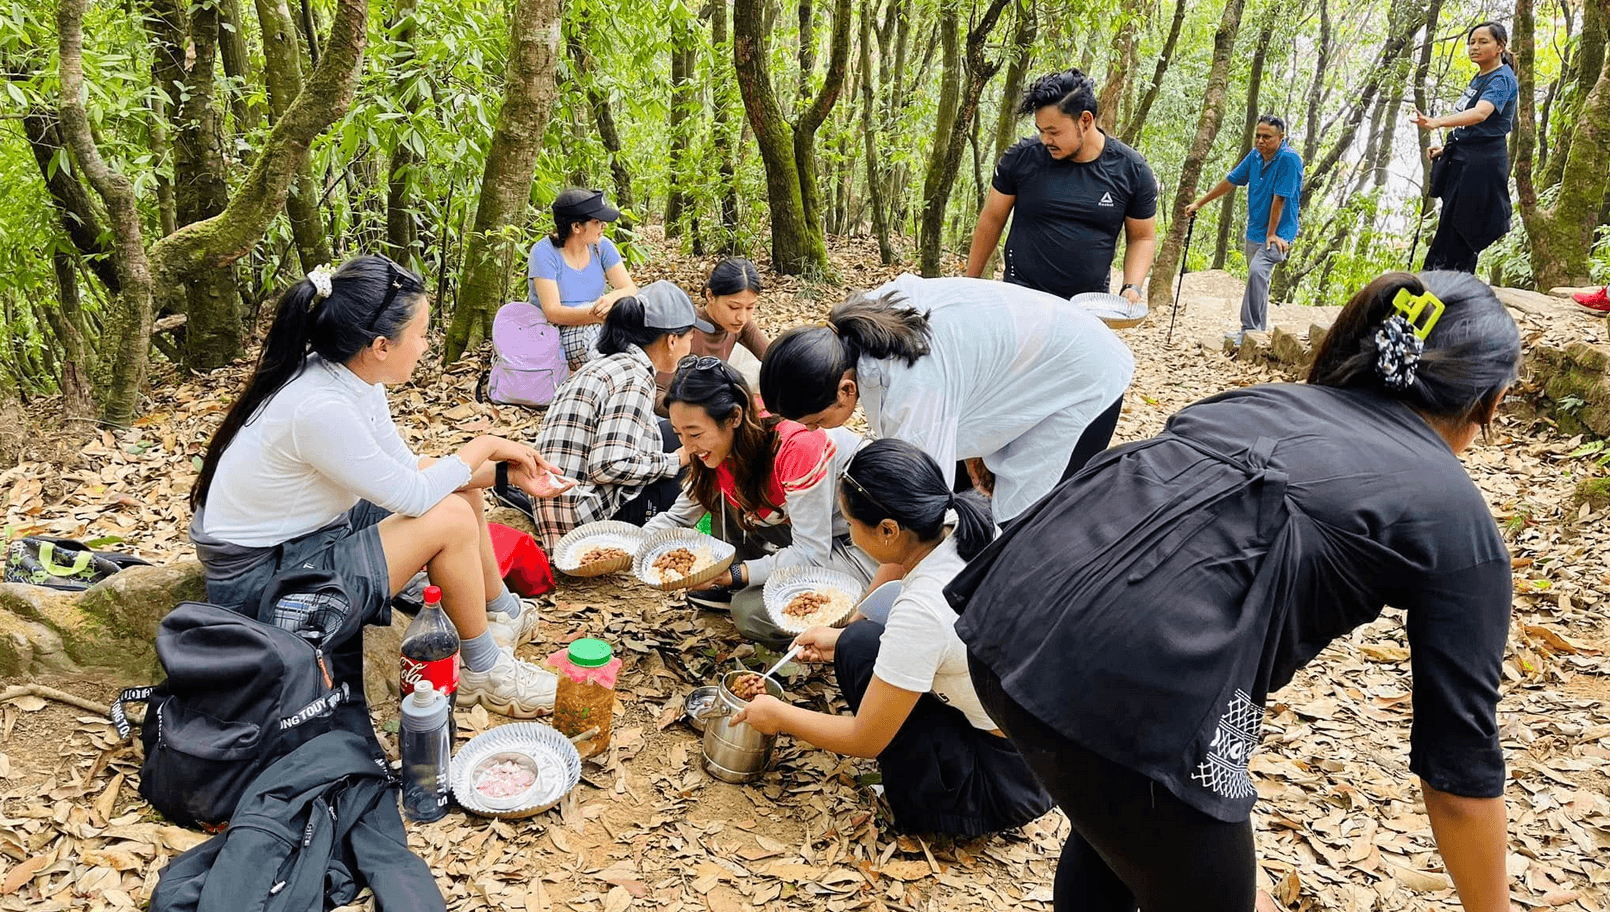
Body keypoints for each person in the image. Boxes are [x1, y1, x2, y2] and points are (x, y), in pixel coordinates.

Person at [948, 270, 1520, 912]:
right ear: (1488, 402)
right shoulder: (1457, 517)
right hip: (1120, 694)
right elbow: (1459, 774)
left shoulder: (1258, 401)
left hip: (1003, 621)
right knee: (1158, 835)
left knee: (1110, 817)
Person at [190, 256, 574, 719]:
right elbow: (413, 497)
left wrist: (506, 475)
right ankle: (482, 671)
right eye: (422, 334)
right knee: (448, 515)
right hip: (269, 584)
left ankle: (498, 613)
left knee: (457, 489)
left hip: (313, 535)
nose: (427, 345)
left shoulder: (350, 377)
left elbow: (412, 469)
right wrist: (487, 444)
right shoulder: (319, 407)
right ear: (379, 346)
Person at [731, 439, 1052, 836]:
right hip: (1037, 744)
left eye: (850, 524)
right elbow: (907, 592)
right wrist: (840, 638)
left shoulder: (923, 609)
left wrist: (777, 716)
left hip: (998, 783)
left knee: (863, 653)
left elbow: (863, 739)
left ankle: (935, 811)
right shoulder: (959, 526)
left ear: (888, 530)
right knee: (857, 642)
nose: (848, 533)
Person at [758, 274, 1134, 523]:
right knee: (1000, 507)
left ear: (846, 390)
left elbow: (925, 511)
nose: (811, 431)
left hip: (1082, 373)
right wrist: (976, 448)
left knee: (1029, 520)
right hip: (1034, 358)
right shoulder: (860, 321)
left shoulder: (911, 390)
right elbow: (966, 362)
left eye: (816, 421)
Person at [644, 357, 876, 647]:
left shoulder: (798, 446)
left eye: (694, 434)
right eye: (680, 434)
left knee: (750, 612)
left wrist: (733, 575)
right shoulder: (719, 449)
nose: (687, 448)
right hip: (808, 533)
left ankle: (855, 617)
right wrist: (631, 547)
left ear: (734, 417)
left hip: (858, 545)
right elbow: (679, 516)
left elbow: (811, 554)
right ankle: (746, 581)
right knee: (719, 495)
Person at [967, 68, 1158, 303]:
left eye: (1053, 132)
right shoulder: (1021, 159)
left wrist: (1132, 286)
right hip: (1021, 297)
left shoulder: (1131, 170)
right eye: (1041, 131)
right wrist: (968, 282)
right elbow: (992, 219)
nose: (1045, 140)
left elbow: (1142, 237)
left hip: (1088, 306)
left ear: (1085, 121)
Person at [532, 281, 696, 550]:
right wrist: (674, 461)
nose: (691, 345)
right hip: (584, 524)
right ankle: (670, 546)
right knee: (686, 452)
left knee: (671, 431)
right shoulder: (635, 377)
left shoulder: (605, 364)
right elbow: (608, 465)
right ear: (672, 340)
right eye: (690, 337)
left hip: (558, 510)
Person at [1185, 115, 1304, 344]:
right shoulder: (1255, 156)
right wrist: (1200, 202)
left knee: (1258, 272)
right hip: (1255, 230)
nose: (1260, 141)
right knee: (1259, 280)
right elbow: (1231, 180)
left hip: (1279, 233)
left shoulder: (1289, 160)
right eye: (1258, 136)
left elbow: (1279, 199)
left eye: (1266, 137)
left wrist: (1272, 235)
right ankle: (1257, 334)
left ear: (1281, 138)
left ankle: (1248, 331)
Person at [1412, 23, 1518, 274]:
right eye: (1472, 42)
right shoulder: (1481, 75)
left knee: (1462, 231)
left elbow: (1481, 114)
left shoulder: (1502, 78)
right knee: (1448, 227)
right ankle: (1434, 287)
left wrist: (1438, 122)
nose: (1475, 47)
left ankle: (1449, 293)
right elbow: (1470, 120)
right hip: (1464, 157)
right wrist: (1446, 150)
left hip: (1482, 165)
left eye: (1483, 42)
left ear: (1500, 46)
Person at [528, 188, 639, 368]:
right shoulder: (544, 253)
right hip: (557, 331)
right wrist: (598, 316)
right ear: (577, 226)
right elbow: (553, 312)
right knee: (601, 344)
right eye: (598, 222)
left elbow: (629, 288)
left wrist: (610, 299)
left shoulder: (602, 247)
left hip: (597, 321)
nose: (604, 226)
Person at [654, 258, 771, 413]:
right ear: (710, 296)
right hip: (674, 418)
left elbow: (777, 361)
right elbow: (656, 395)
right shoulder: (684, 329)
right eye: (733, 307)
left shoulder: (742, 325)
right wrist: (703, 412)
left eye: (750, 307)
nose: (742, 317)